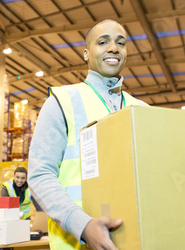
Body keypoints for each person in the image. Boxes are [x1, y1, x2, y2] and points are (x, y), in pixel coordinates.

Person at [28, 19, 148, 250]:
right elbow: (40, 175)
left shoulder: (142, 110)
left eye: (120, 43)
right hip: (76, 243)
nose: (113, 48)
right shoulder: (62, 101)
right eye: (103, 42)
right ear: (86, 53)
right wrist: (82, 225)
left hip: (137, 239)